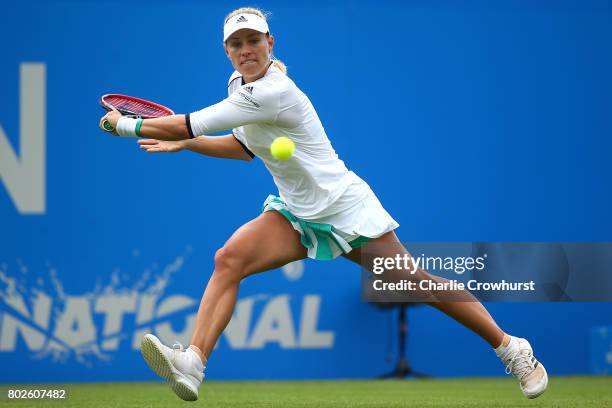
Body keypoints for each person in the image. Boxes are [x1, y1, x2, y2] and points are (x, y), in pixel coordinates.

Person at [98, 7, 548, 402]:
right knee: (228, 258)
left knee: (419, 285)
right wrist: (188, 144)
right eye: (236, 43)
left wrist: (127, 128)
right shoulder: (238, 85)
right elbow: (243, 147)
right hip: (295, 212)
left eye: (253, 40)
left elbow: (188, 123)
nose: (245, 49)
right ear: (227, 52)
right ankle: (193, 362)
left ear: (269, 43)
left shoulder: (272, 91)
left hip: (343, 208)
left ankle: (513, 348)